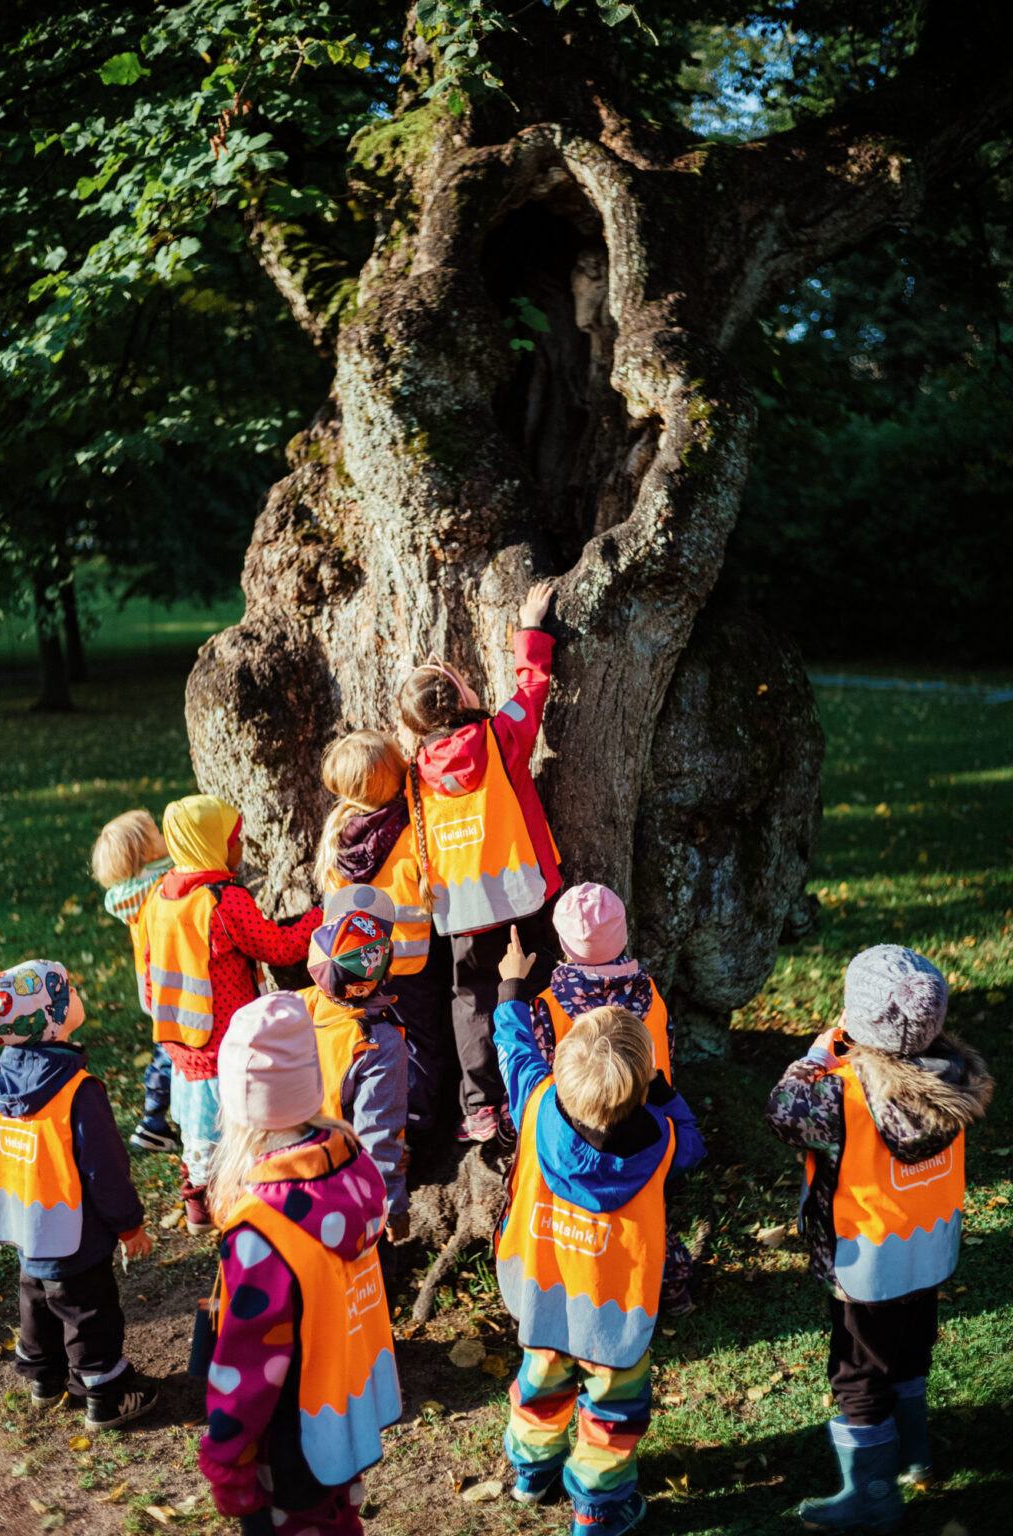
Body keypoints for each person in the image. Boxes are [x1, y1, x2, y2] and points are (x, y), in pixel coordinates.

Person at [765, 944, 992, 1529]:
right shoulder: (955, 1074)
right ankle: (915, 1455)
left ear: (859, 1019)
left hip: (865, 1261)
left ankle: (870, 1497)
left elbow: (781, 1110)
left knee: (857, 1372)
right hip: (928, 1249)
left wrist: (815, 1055)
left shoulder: (840, 1093)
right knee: (912, 1350)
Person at [492, 929, 705, 1535]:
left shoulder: (535, 1106)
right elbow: (693, 1145)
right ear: (642, 1085)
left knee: (539, 1386)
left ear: (561, 1065)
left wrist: (511, 985)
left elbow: (514, 1050)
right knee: (613, 1414)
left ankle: (532, 1475)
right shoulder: (662, 1143)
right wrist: (666, 1094)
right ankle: (599, 1507)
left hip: (539, 1293)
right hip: (617, 1314)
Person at [199, 992, 401, 1535]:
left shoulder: (260, 1232)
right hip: (344, 1408)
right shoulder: (356, 1171)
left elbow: (249, 1361)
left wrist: (227, 1454)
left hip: (289, 1437)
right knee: (337, 1516)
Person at [398, 580, 561, 1144]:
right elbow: (532, 687)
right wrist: (531, 628)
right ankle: (534, 1089)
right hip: (522, 894)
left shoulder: (414, 769)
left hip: (460, 907)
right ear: (463, 697)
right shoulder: (500, 736)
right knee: (531, 986)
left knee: (470, 1002)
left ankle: (480, 1107)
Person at [137, 794, 322, 1233]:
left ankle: (197, 1202)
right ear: (211, 842)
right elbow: (276, 947)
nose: (240, 848)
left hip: (179, 1033)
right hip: (225, 1038)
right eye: (233, 838)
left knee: (197, 1131)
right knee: (236, 1125)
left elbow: (147, 964)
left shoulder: (159, 895)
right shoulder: (223, 900)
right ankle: (240, 1197)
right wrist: (319, 917)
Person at [0, 959, 157, 1431]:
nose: (77, 995)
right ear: (52, 1016)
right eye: (71, 991)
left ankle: (44, 1378)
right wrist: (130, 1225)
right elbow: (105, 1170)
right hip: (73, 1231)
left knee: (35, 1298)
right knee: (87, 1310)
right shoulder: (77, 1091)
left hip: (25, 1222)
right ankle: (103, 1391)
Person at [532, 881, 695, 1314]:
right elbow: (668, 1048)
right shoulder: (651, 992)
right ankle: (671, 1283)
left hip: (582, 1128)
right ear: (623, 936)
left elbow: (544, 1070)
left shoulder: (549, 1003)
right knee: (650, 1210)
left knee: (586, 1213)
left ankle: (588, 1284)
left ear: (563, 943)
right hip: (648, 1121)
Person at [315, 730, 450, 1140]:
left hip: (360, 969)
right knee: (424, 1047)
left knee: (374, 1047)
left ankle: (374, 1125)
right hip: (413, 965)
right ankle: (420, 1128)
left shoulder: (337, 837)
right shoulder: (413, 831)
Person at [298, 888, 409, 1243]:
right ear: (383, 972)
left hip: (299, 1170)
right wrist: (391, 1204)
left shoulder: (300, 1005)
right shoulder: (379, 1043)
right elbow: (376, 1132)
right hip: (352, 1190)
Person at [91, 808, 177, 1153]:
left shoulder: (129, 892)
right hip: (173, 980)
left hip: (152, 984)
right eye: (156, 830)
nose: (163, 833)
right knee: (170, 1053)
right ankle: (153, 1121)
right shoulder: (162, 881)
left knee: (165, 1048)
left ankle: (154, 1119)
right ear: (145, 851)